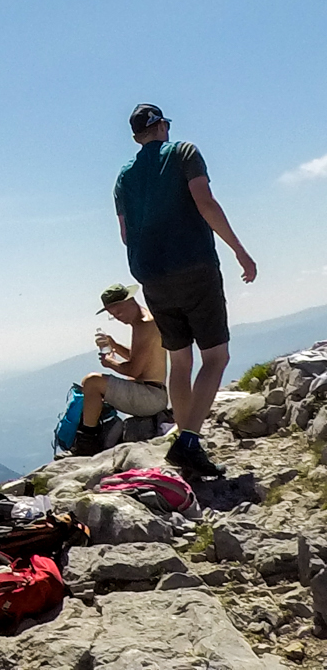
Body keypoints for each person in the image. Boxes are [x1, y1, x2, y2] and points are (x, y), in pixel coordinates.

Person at [114, 103, 258, 480]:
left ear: (135, 136)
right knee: (216, 357)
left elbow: (126, 235)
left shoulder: (123, 177)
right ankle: (189, 442)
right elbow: (205, 202)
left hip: (152, 276)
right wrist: (239, 250)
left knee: (180, 361)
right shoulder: (183, 152)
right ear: (161, 126)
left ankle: (183, 434)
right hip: (193, 266)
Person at [68, 282, 170, 455]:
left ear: (131, 301)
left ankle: (87, 441)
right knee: (94, 384)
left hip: (149, 398)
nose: (118, 317)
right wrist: (114, 345)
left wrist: (109, 362)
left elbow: (134, 370)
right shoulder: (145, 321)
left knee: (92, 382)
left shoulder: (143, 325)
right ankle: (92, 435)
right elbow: (139, 358)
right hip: (154, 394)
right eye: (113, 315)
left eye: (119, 311)